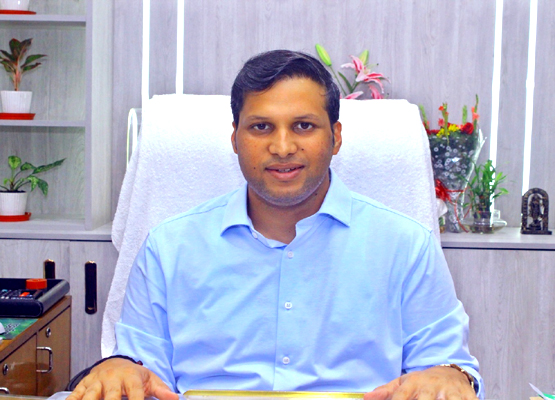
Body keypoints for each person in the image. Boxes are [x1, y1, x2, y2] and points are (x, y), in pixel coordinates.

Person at [67, 50, 483, 400]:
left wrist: (451, 375)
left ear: (336, 137)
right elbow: (140, 368)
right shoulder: (168, 246)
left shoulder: (405, 245)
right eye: (261, 127)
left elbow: (446, 365)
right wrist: (120, 368)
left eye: (303, 126)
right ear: (235, 138)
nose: (282, 147)